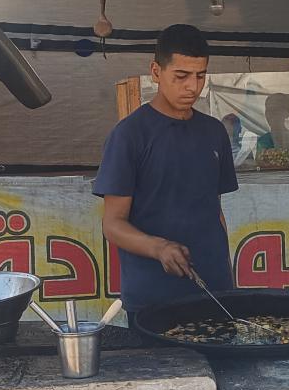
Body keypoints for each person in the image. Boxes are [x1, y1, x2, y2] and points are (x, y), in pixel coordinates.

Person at [94, 24, 238, 318]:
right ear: (156, 72)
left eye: (200, 76)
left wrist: (227, 274)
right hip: (152, 297)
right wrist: (159, 248)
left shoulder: (214, 132)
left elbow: (216, 211)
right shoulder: (129, 135)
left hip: (215, 291)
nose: (192, 87)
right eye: (181, 76)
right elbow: (113, 224)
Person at [256, 93, 289, 168]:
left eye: (276, 110)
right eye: (268, 111)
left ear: (287, 113)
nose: (271, 115)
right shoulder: (262, 141)